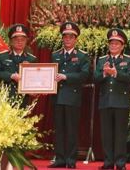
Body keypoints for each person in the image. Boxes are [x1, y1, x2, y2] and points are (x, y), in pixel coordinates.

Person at [48, 22, 90, 169]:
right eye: (65, 36)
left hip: (72, 97)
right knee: (59, 129)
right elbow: (49, 74)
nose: (67, 39)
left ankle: (71, 160)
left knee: (71, 129)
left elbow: (85, 75)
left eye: (71, 37)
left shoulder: (82, 56)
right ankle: (59, 159)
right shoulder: (55, 55)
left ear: (76, 39)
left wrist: (66, 77)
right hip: (57, 97)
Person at [94, 28, 130, 170]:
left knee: (120, 134)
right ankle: (108, 162)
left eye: (117, 44)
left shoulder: (128, 60)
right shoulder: (101, 60)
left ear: (122, 46)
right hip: (105, 101)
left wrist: (116, 73)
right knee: (106, 134)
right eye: (111, 44)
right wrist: (104, 74)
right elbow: (95, 78)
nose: (113, 46)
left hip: (121, 102)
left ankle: (120, 163)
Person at [0, 24, 36, 102]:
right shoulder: (2, 56)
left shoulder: (31, 59)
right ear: (11, 41)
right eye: (16, 39)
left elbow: (34, 79)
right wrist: (10, 76)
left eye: (23, 39)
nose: (20, 42)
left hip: (23, 99)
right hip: (4, 97)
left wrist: (35, 90)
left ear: (26, 41)